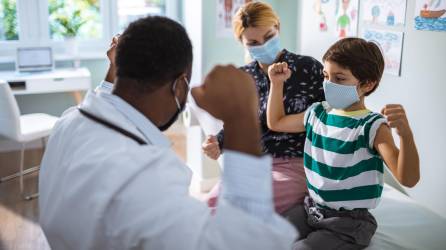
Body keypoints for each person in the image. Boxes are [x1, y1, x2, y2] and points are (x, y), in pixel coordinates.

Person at [38, 16, 296, 250]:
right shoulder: (144, 177)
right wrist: (241, 116)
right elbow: (244, 242)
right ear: (180, 85)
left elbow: (103, 99)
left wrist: (112, 70)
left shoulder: (68, 122)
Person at [266, 37, 420, 249]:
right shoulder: (317, 113)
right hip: (311, 207)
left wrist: (406, 135)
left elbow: (408, 178)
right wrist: (276, 84)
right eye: (326, 76)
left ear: (367, 84)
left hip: (348, 222)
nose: (329, 84)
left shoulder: (372, 126)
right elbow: (276, 122)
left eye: (339, 78)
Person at [203, 1, 325, 215]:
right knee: (210, 205)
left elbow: (328, 118)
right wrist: (217, 143)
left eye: (269, 37)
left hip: (296, 165)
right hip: (253, 166)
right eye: (253, 42)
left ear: (278, 28)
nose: (263, 45)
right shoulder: (242, 78)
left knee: (234, 209)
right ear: (242, 42)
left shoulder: (309, 68)